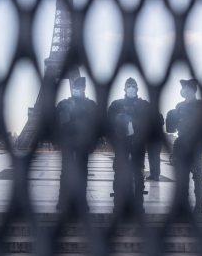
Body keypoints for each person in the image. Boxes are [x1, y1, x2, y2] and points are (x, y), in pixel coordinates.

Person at [166, 79, 202, 214]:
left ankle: (200, 205)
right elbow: (171, 128)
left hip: (196, 145)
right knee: (182, 177)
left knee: (198, 176)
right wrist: (170, 119)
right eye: (183, 88)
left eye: (186, 88)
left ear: (193, 90)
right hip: (181, 145)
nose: (183, 90)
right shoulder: (179, 106)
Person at [108, 77, 150, 214]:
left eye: (133, 86)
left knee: (139, 174)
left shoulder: (144, 105)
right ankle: (119, 204)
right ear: (124, 89)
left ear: (137, 88)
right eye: (128, 86)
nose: (131, 88)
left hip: (138, 144)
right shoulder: (116, 104)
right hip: (122, 144)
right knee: (120, 173)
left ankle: (138, 204)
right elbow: (108, 122)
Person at [56, 77, 98, 211]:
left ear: (84, 88)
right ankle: (63, 200)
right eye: (74, 87)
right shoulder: (64, 103)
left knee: (82, 171)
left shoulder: (90, 105)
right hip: (69, 140)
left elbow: (94, 125)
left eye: (79, 87)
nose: (76, 89)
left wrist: (92, 143)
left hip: (82, 141)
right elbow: (59, 123)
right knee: (66, 171)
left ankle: (81, 200)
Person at [146, 112, 164, 181]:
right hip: (150, 140)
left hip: (156, 140)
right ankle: (153, 174)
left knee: (155, 157)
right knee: (151, 157)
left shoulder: (158, 115)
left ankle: (156, 174)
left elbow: (161, 124)